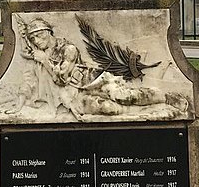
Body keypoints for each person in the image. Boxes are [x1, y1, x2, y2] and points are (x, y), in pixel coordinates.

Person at [20, 17, 189, 120]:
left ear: (49, 32)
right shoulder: (42, 54)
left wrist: (45, 61)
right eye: (32, 37)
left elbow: (61, 77)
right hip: (79, 94)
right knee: (108, 109)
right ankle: (143, 111)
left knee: (124, 96)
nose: (36, 40)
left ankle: (166, 98)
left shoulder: (68, 49)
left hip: (97, 81)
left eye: (39, 34)